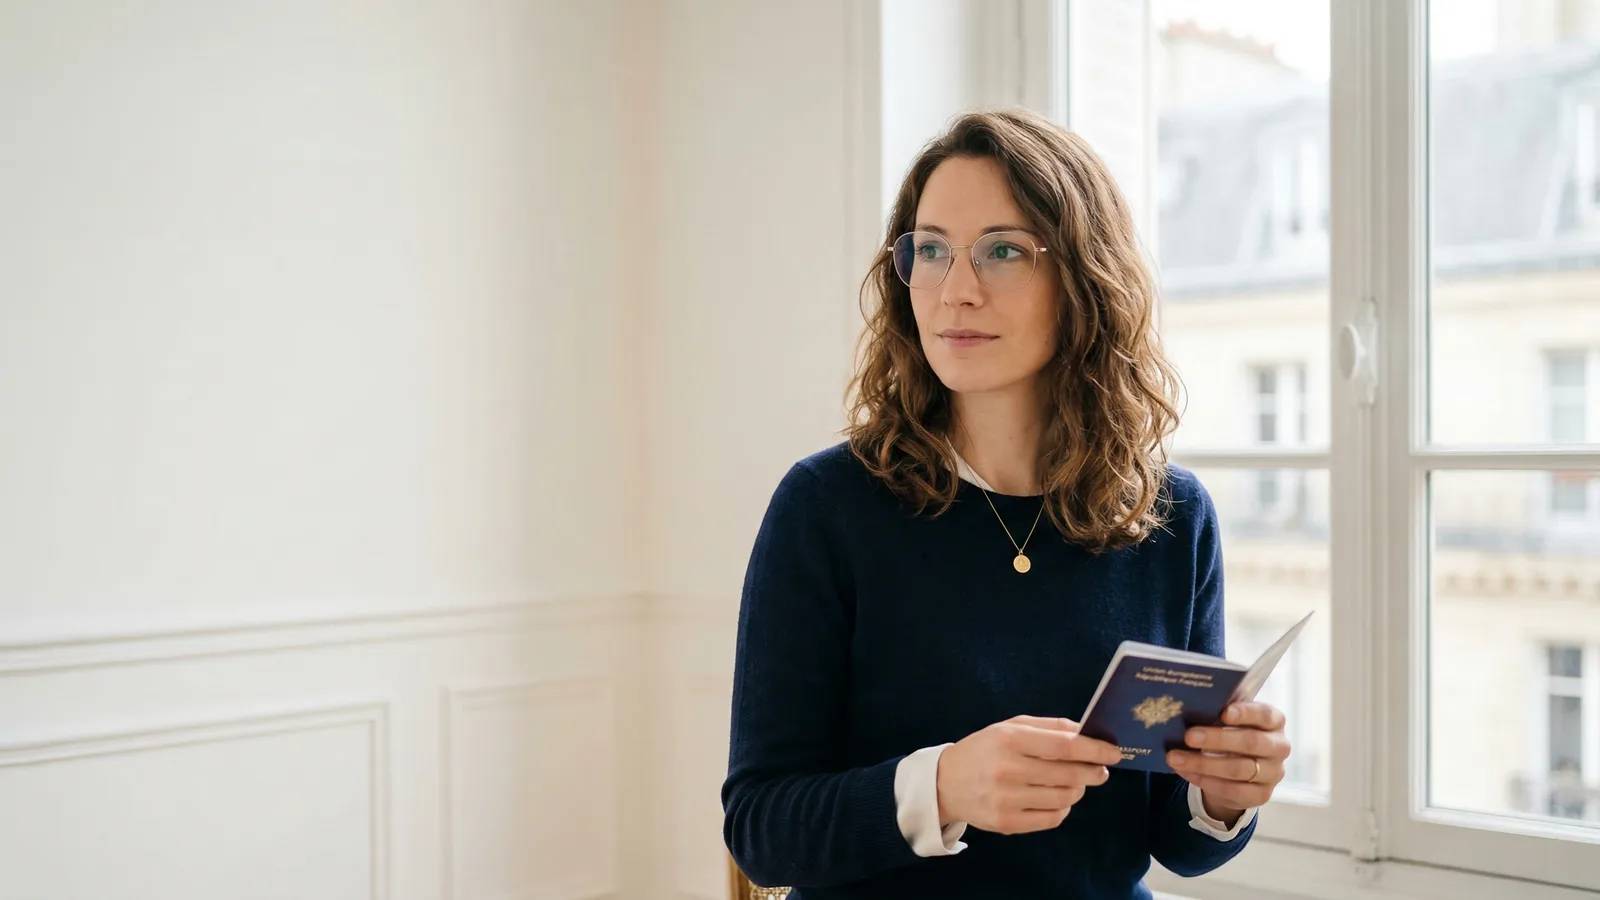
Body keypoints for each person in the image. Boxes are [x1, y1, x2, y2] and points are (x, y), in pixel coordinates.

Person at [721, 108, 1293, 899]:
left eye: (1002, 251)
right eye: (930, 251)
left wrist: (1221, 797)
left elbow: (1172, 841)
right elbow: (762, 833)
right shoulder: (826, 509)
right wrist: (945, 786)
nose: (956, 291)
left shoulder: (1172, 516)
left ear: (1084, 280)